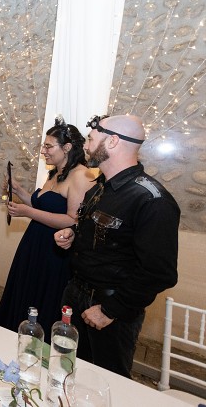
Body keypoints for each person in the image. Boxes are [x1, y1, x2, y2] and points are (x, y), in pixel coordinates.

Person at [54, 114, 179, 378]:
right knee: (67, 370)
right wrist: (73, 234)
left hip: (110, 310)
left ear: (112, 142)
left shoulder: (152, 200)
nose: (86, 146)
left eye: (90, 139)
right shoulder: (100, 188)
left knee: (103, 381)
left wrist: (110, 310)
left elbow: (159, 272)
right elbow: (103, 234)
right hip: (76, 294)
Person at [0, 117, 94, 343]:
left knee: (43, 296)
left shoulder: (81, 175)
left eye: (49, 146)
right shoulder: (55, 173)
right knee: (26, 290)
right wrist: (18, 190)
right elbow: (40, 204)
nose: (43, 151)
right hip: (35, 244)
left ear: (67, 148)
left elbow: (73, 220)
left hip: (55, 250)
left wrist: (28, 212)